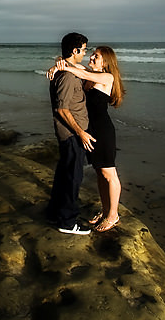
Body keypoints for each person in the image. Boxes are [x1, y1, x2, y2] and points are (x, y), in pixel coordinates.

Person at [53, 45, 126, 232]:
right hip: (90, 131)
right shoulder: (89, 73)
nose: (92, 57)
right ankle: (105, 210)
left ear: (106, 62)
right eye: (92, 54)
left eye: (97, 56)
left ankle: (113, 215)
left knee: (110, 174)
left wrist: (62, 67)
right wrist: (57, 64)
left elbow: (80, 73)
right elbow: (73, 67)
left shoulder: (106, 77)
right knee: (100, 173)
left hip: (103, 132)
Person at [45, 32, 95, 235]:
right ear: (75, 51)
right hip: (72, 134)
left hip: (72, 133)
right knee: (72, 178)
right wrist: (81, 133)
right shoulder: (66, 76)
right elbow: (62, 109)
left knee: (64, 175)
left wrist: (58, 63)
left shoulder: (67, 69)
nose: (85, 53)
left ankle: (54, 212)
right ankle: (67, 222)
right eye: (83, 49)